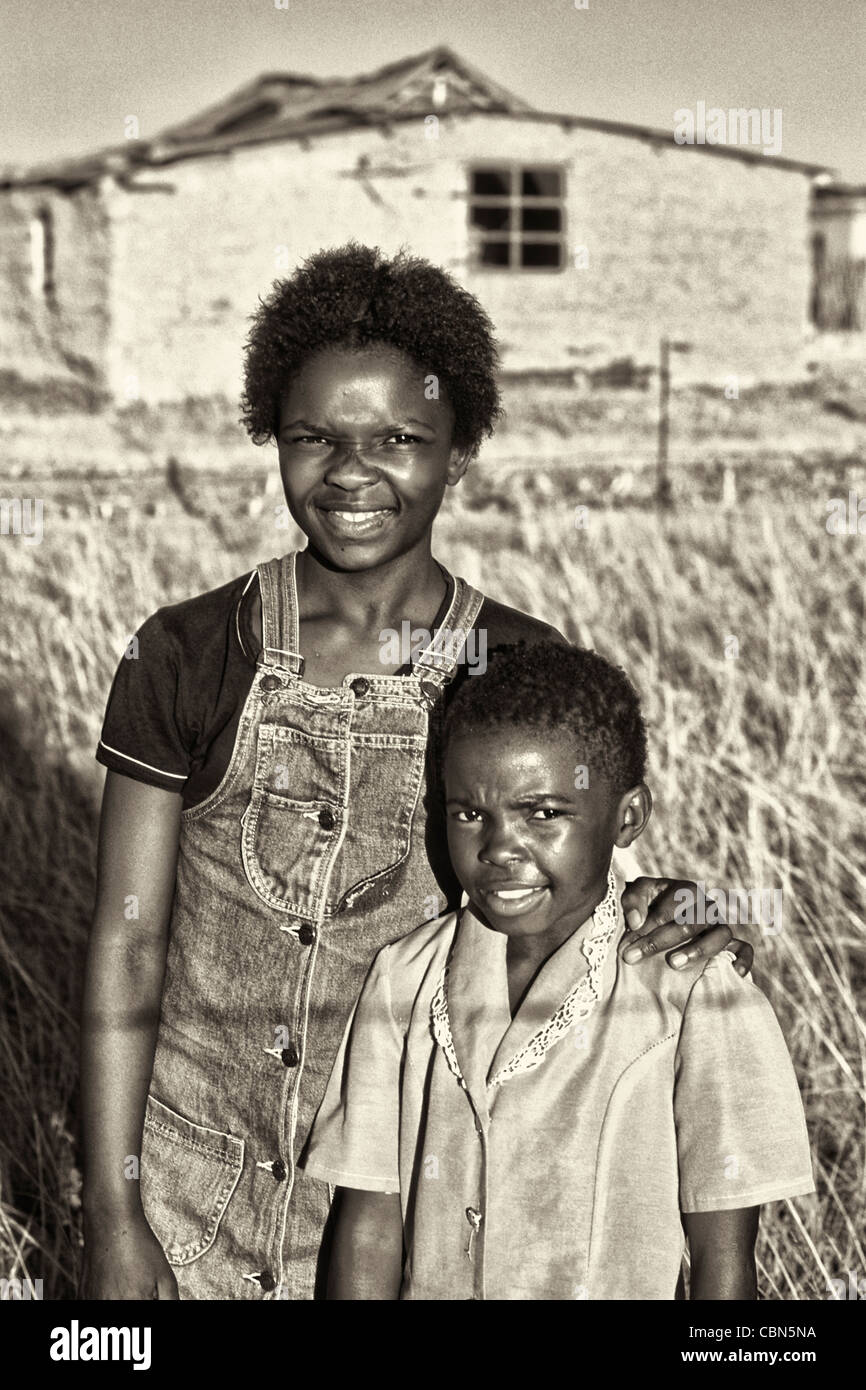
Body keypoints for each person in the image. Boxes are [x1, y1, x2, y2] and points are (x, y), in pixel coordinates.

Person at [79, 244, 752, 1301]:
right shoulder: (189, 652)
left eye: (398, 438)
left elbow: (555, 891)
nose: (352, 473)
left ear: (460, 449)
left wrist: (663, 910)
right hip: (184, 1192)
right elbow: (129, 941)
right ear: (271, 438)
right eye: (313, 438)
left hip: (403, 1210)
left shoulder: (517, 670)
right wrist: (114, 1212)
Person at [305, 642, 814, 1300]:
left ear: (627, 817)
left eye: (543, 814)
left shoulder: (693, 986)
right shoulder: (404, 977)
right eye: (468, 814)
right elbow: (368, 1228)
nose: (498, 849)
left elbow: (724, 1263)